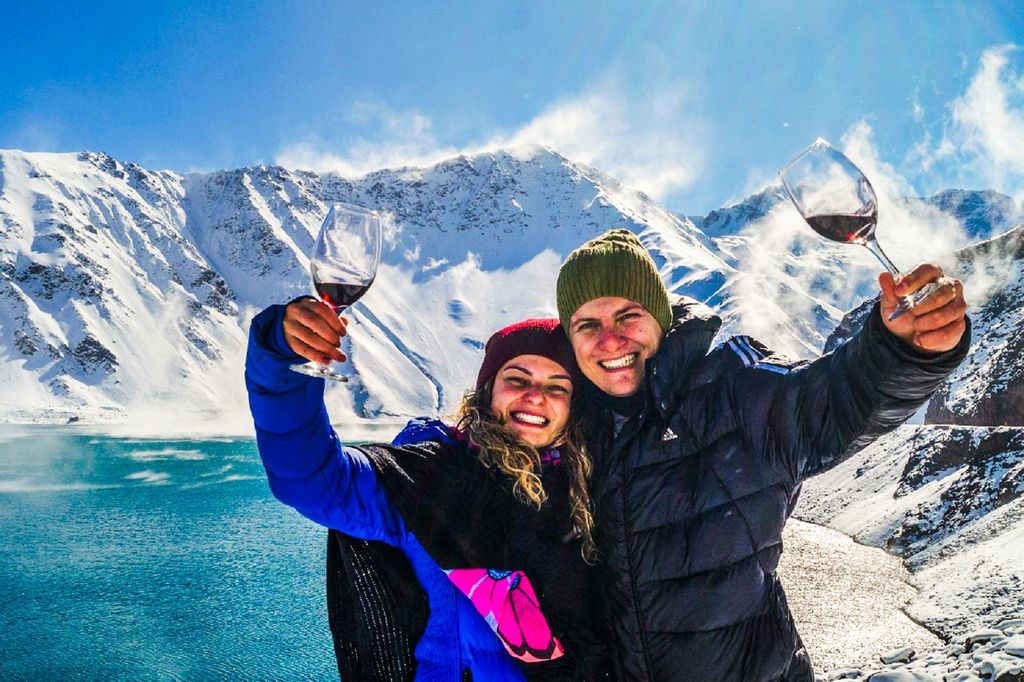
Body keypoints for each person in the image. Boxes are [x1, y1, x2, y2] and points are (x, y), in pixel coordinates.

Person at [553, 229, 970, 681]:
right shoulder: (569, 427)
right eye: (587, 325)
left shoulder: (730, 388)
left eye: (627, 315)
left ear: (660, 315)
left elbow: (824, 402)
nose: (610, 341)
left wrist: (899, 351)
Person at [245, 298, 611, 681]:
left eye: (558, 387)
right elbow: (313, 481)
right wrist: (281, 358)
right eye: (516, 379)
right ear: (486, 392)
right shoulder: (426, 479)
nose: (535, 396)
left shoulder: (592, 491)